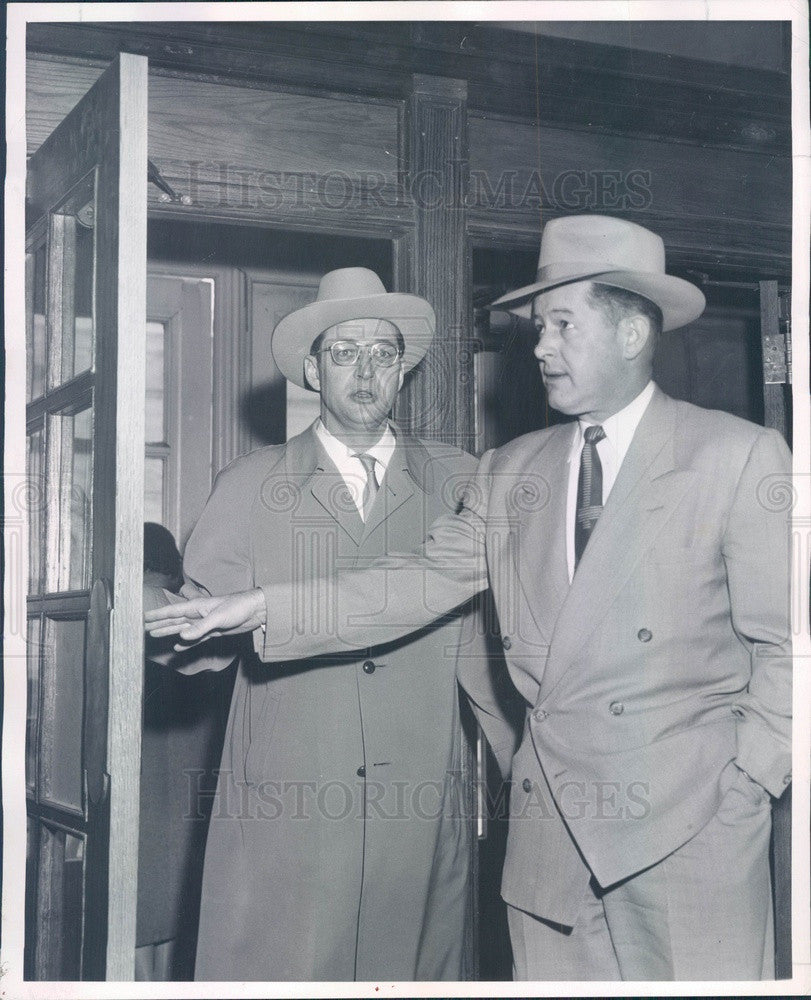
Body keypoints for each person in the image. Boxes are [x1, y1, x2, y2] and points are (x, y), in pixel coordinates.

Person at [147, 215, 792, 981]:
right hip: (544, 845)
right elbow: (413, 584)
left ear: (628, 334)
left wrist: (748, 787)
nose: (538, 346)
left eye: (559, 325)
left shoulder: (735, 455)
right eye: (538, 328)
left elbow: (788, 647)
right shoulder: (512, 469)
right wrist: (258, 607)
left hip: (686, 834)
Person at [149, 267, 519, 981]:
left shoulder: (459, 479)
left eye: (383, 354)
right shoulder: (250, 483)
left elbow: (487, 654)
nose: (364, 370)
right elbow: (201, 650)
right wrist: (163, 625)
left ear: (402, 373)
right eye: (343, 352)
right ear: (313, 372)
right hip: (289, 807)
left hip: (419, 806)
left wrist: (527, 777)